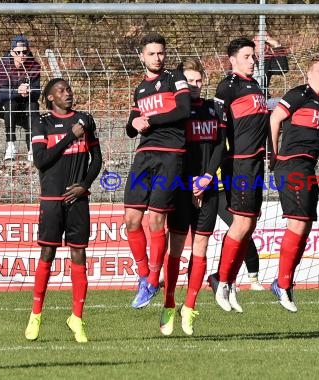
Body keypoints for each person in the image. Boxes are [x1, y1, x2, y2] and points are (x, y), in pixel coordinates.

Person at [24, 78, 102, 343]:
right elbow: (41, 160)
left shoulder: (85, 119)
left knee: (79, 255)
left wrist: (85, 185)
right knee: (47, 252)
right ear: (49, 98)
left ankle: (77, 319)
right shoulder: (42, 123)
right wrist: (71, 135)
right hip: (51, 199)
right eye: (61, 90)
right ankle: (36, 315)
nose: (67, 93)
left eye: (69, 89)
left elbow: (97, 159)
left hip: (78, 199)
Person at [159, 57, 225, 336]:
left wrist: (208, 176)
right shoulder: (177, 110)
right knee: (175, 249)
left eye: (200, 81)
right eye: (190, 81)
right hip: (181, 187)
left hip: (207, 187)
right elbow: (174, 152)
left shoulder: (215, 108)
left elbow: (221, 145)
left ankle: (190, 307)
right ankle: (169, 303)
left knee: (201, 248)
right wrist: (189, 183)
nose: (196, 86)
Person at [124, 32, 191, 310]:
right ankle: (143, 277)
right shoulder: (139, 88)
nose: (157, 58)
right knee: (131, 219)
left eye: (161, 53)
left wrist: (149, 119)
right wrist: (136, 121)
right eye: (151, 53)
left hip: (171, 155)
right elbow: (130, 128)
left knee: (156, 220)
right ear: (142, 56)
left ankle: (153, 279)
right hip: (144, 155)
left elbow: (184, 110)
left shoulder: (175, 77)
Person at [208, 37, 270, 313]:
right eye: (247, 56)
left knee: (249, 226)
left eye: (254, 56)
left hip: (256, 163)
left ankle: (228, 281)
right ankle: (221, 281)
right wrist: (211, 169)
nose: (253, 60)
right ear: (232, 59)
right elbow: (219, 130)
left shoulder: (255, 85)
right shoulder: (228, 86)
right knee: (241, 225)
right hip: (240, 164)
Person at [269, 55, 319, 312]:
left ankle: (284, 281)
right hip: (291, 165)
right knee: (296, 224)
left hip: (307, 167)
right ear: (308, 73)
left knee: (304, 228)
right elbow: (274, 118)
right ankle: (283, 285)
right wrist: (273, 155)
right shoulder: (300, 93)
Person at [0, 35, 41, 161]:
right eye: (18, 52)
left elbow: (37, 92)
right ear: (11, 52)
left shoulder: (34, 66)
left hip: (25, 102)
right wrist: (18, 91)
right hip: (4, 104)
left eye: (24, 52)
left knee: (33, 106)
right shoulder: (2, 65)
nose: (22, 55)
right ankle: (10, 145)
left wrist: (29, 90)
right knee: (11, 104)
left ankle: (32, 147)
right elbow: (2, 91)